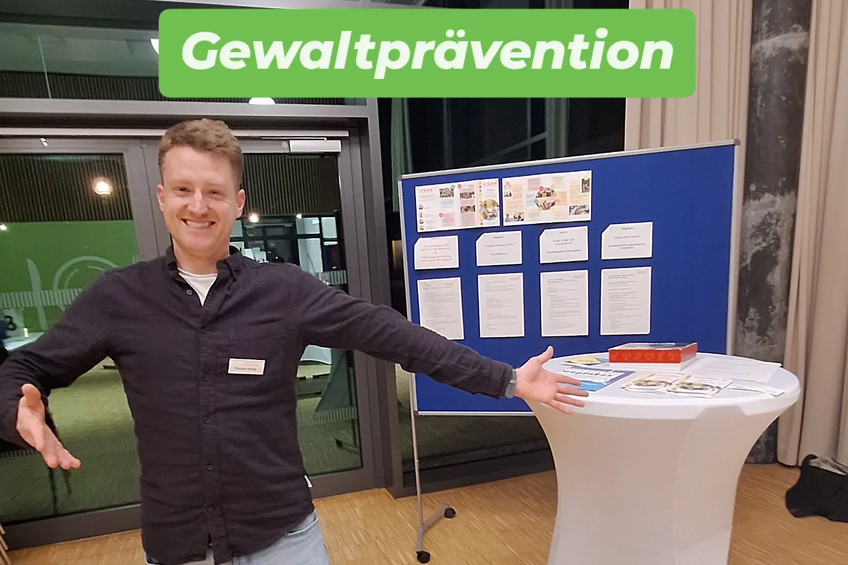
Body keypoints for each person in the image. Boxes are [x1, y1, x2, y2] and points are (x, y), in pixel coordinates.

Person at [0, 119, 588, 565]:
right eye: (183, 189)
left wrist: (505, 379)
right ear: (161, 198)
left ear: (238, 203)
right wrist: (17, 410)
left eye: (214, 192)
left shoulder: (282, 291)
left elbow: (394, 334)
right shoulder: (117, 297)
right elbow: (22, 367)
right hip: (178, 542)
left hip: (282, 538)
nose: (197, 206)